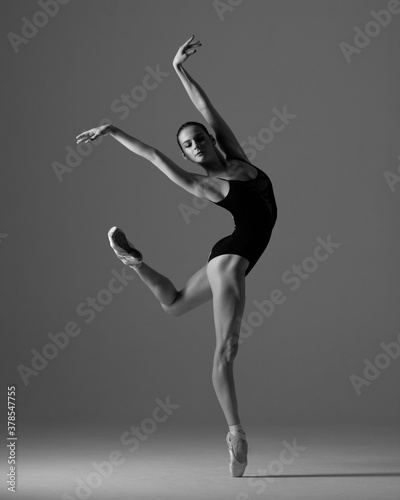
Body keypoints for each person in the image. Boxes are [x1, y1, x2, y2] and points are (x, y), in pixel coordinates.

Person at [76, 35, 277, 478]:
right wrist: (111, 130)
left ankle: (135, 262)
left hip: (226, 255)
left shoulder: (237, 157)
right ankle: (236, 433)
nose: (194, 145)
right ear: (187, 155)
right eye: (187, 146)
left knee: (172, 304)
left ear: (210, 138)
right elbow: (151, 155)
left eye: (198, 138)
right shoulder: (205, 185)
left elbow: (207, 108)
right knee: (225, 351)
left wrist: (178, 68)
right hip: (230, 262)